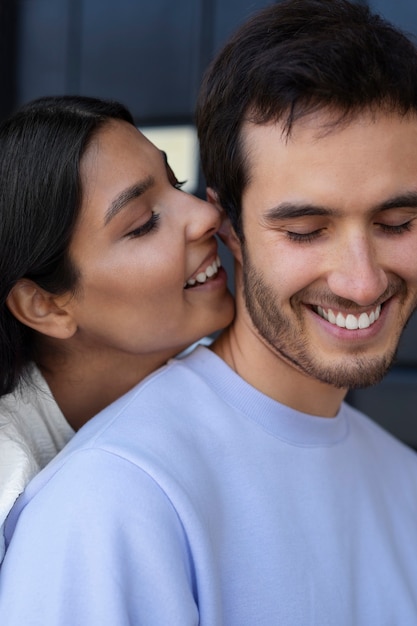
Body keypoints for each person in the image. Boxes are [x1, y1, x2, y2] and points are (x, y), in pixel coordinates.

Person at [2, 0, 417, 623]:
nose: (362, 283)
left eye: (398, 222)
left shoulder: (405, 479)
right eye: (304, 230)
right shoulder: (108, 502)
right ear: (235, 228)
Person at [0, 95, 234, 560]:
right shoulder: (11, 476)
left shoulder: (212, 382)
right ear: (46, 305)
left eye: (177, 182)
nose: (206, 215)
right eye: (144, 224)